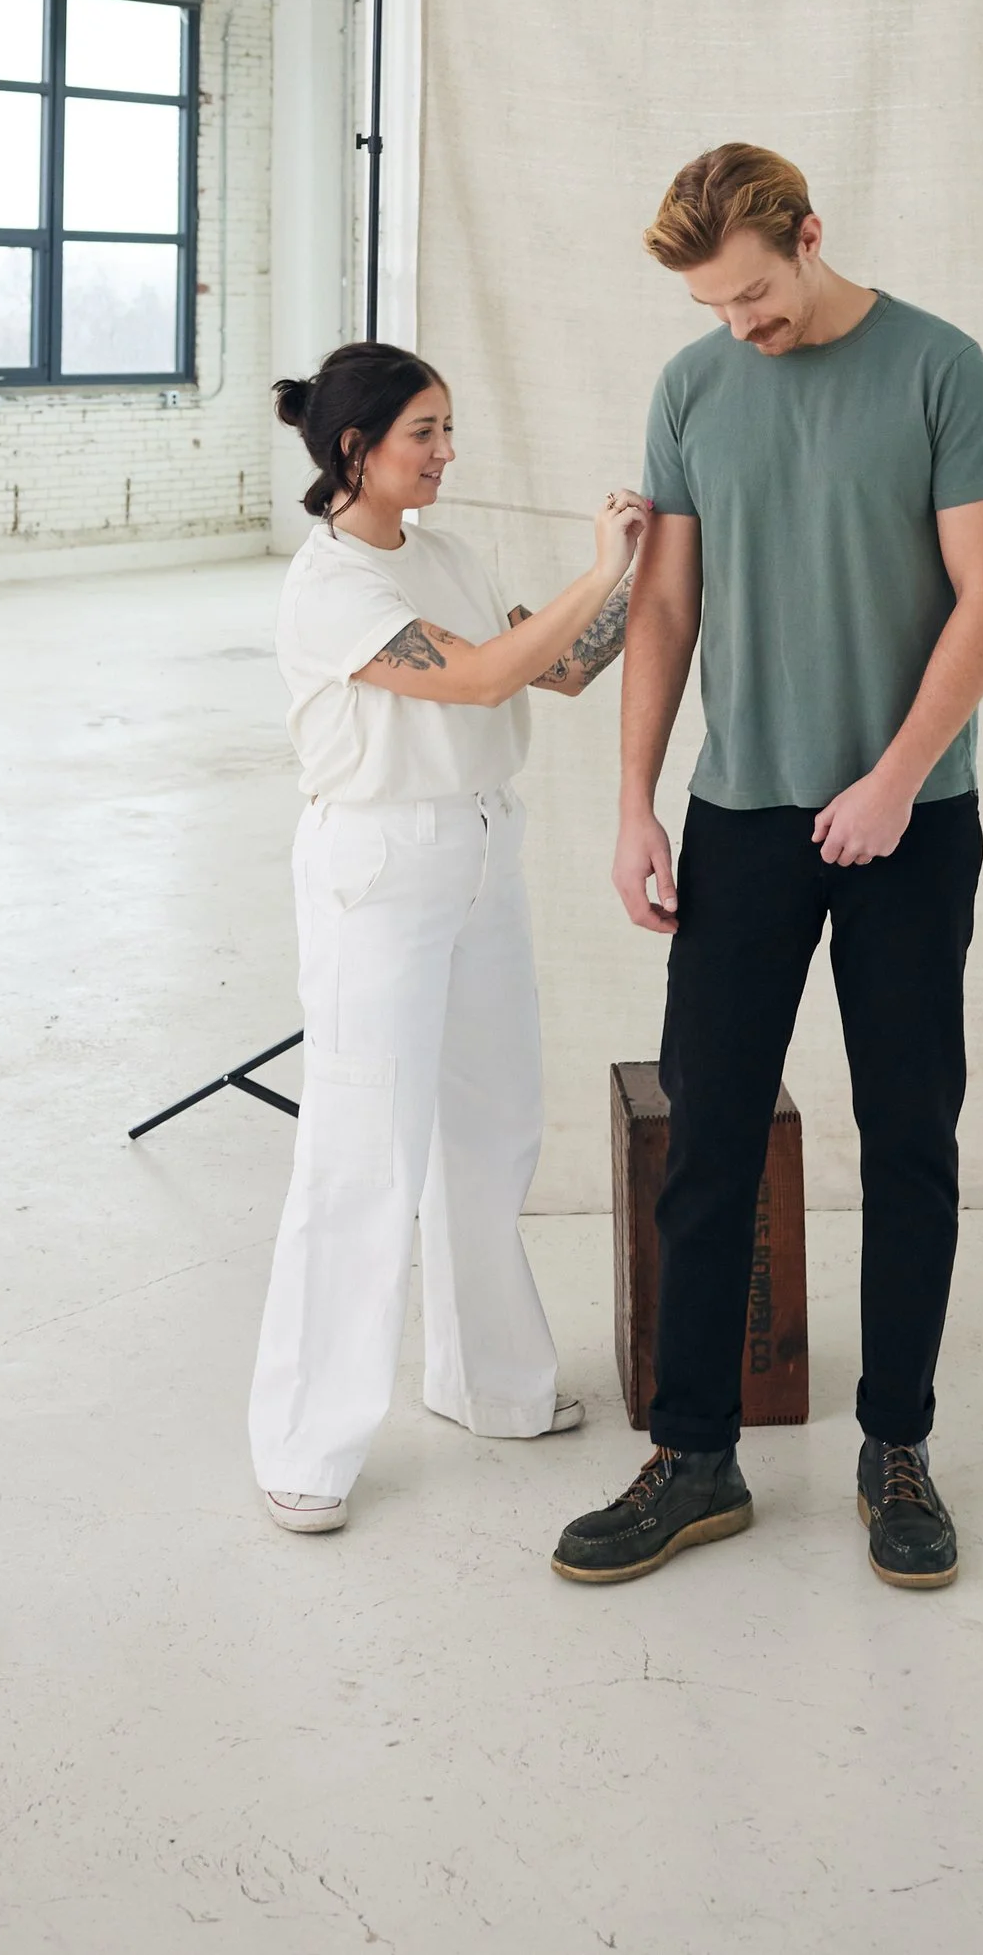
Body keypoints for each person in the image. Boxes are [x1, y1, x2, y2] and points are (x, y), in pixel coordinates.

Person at [552, 146, 983, 1595]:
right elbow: (669, 601)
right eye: (716, 307)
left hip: (909, 816)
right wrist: (634, 801)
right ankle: (695, 1457)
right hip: (742, 816)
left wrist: (892, 778)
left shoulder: (943, 368)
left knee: (908, 1139)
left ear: (812, 237)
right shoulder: (694, 387)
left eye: (756, 294)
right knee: (709, 1137)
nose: (741, 326)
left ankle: (898, 1450)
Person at [250, 339, 648, 1534]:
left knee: (491, 1127)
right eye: (424, 430)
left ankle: (493, 1383)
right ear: (354, 449)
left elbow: (561, 670)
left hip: (483, 850)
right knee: (364, 1151)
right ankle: (306, 1443)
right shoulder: (331, 587)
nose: (445, 451)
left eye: (447, 426)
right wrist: (601, 563)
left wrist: (642, 575)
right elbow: (478, 681)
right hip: (380, 864)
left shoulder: (449, 555)